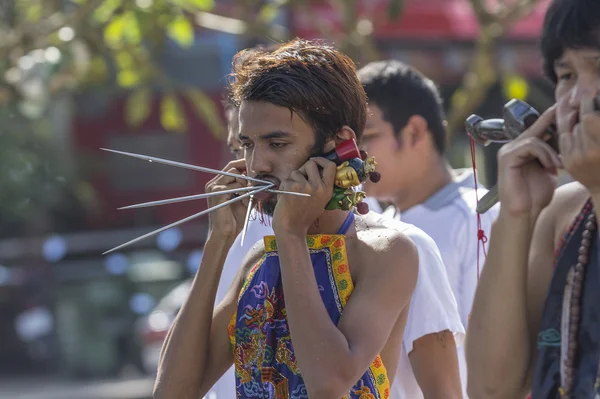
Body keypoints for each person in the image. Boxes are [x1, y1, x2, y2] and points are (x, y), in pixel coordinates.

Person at [154, 39, 420, 399]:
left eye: (277, 144)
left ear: (339, 143)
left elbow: (328, 383)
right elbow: (173, 393)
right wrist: (218, 240)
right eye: (247, 145)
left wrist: (291, 235)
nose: (256, 165)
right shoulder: (259, 263)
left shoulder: (387, 253)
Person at [465, 0, 600, 398]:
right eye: (567, 75)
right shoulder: (565, 212)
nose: (579, 96)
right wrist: (517, 212)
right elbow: (492, 388)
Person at [357, 60, 500, 398]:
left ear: (415, 132)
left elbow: (492, 348)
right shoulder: (371, 221)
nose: (355, 156)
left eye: (368, 138)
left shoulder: (479, 215)